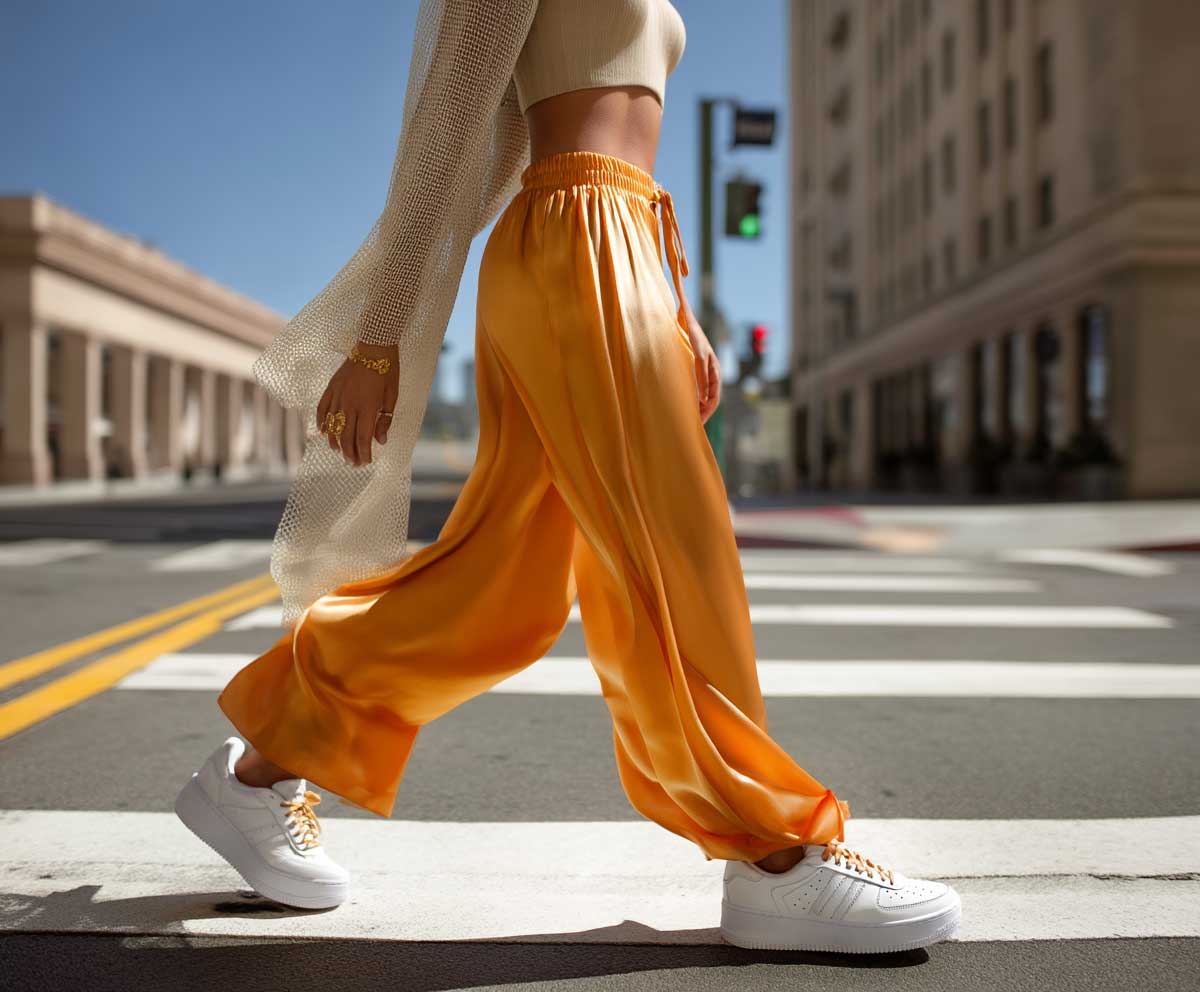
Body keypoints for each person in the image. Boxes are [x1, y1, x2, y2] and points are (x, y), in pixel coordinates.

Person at [174, 0, 961, 953]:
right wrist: (377, 338)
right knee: (675, 548)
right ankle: (772, 852)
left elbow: (633, 160)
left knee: (502, 581)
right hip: (572, 243)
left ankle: (259, 771)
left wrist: (673, 300)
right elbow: (444, 138)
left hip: (615, 248)